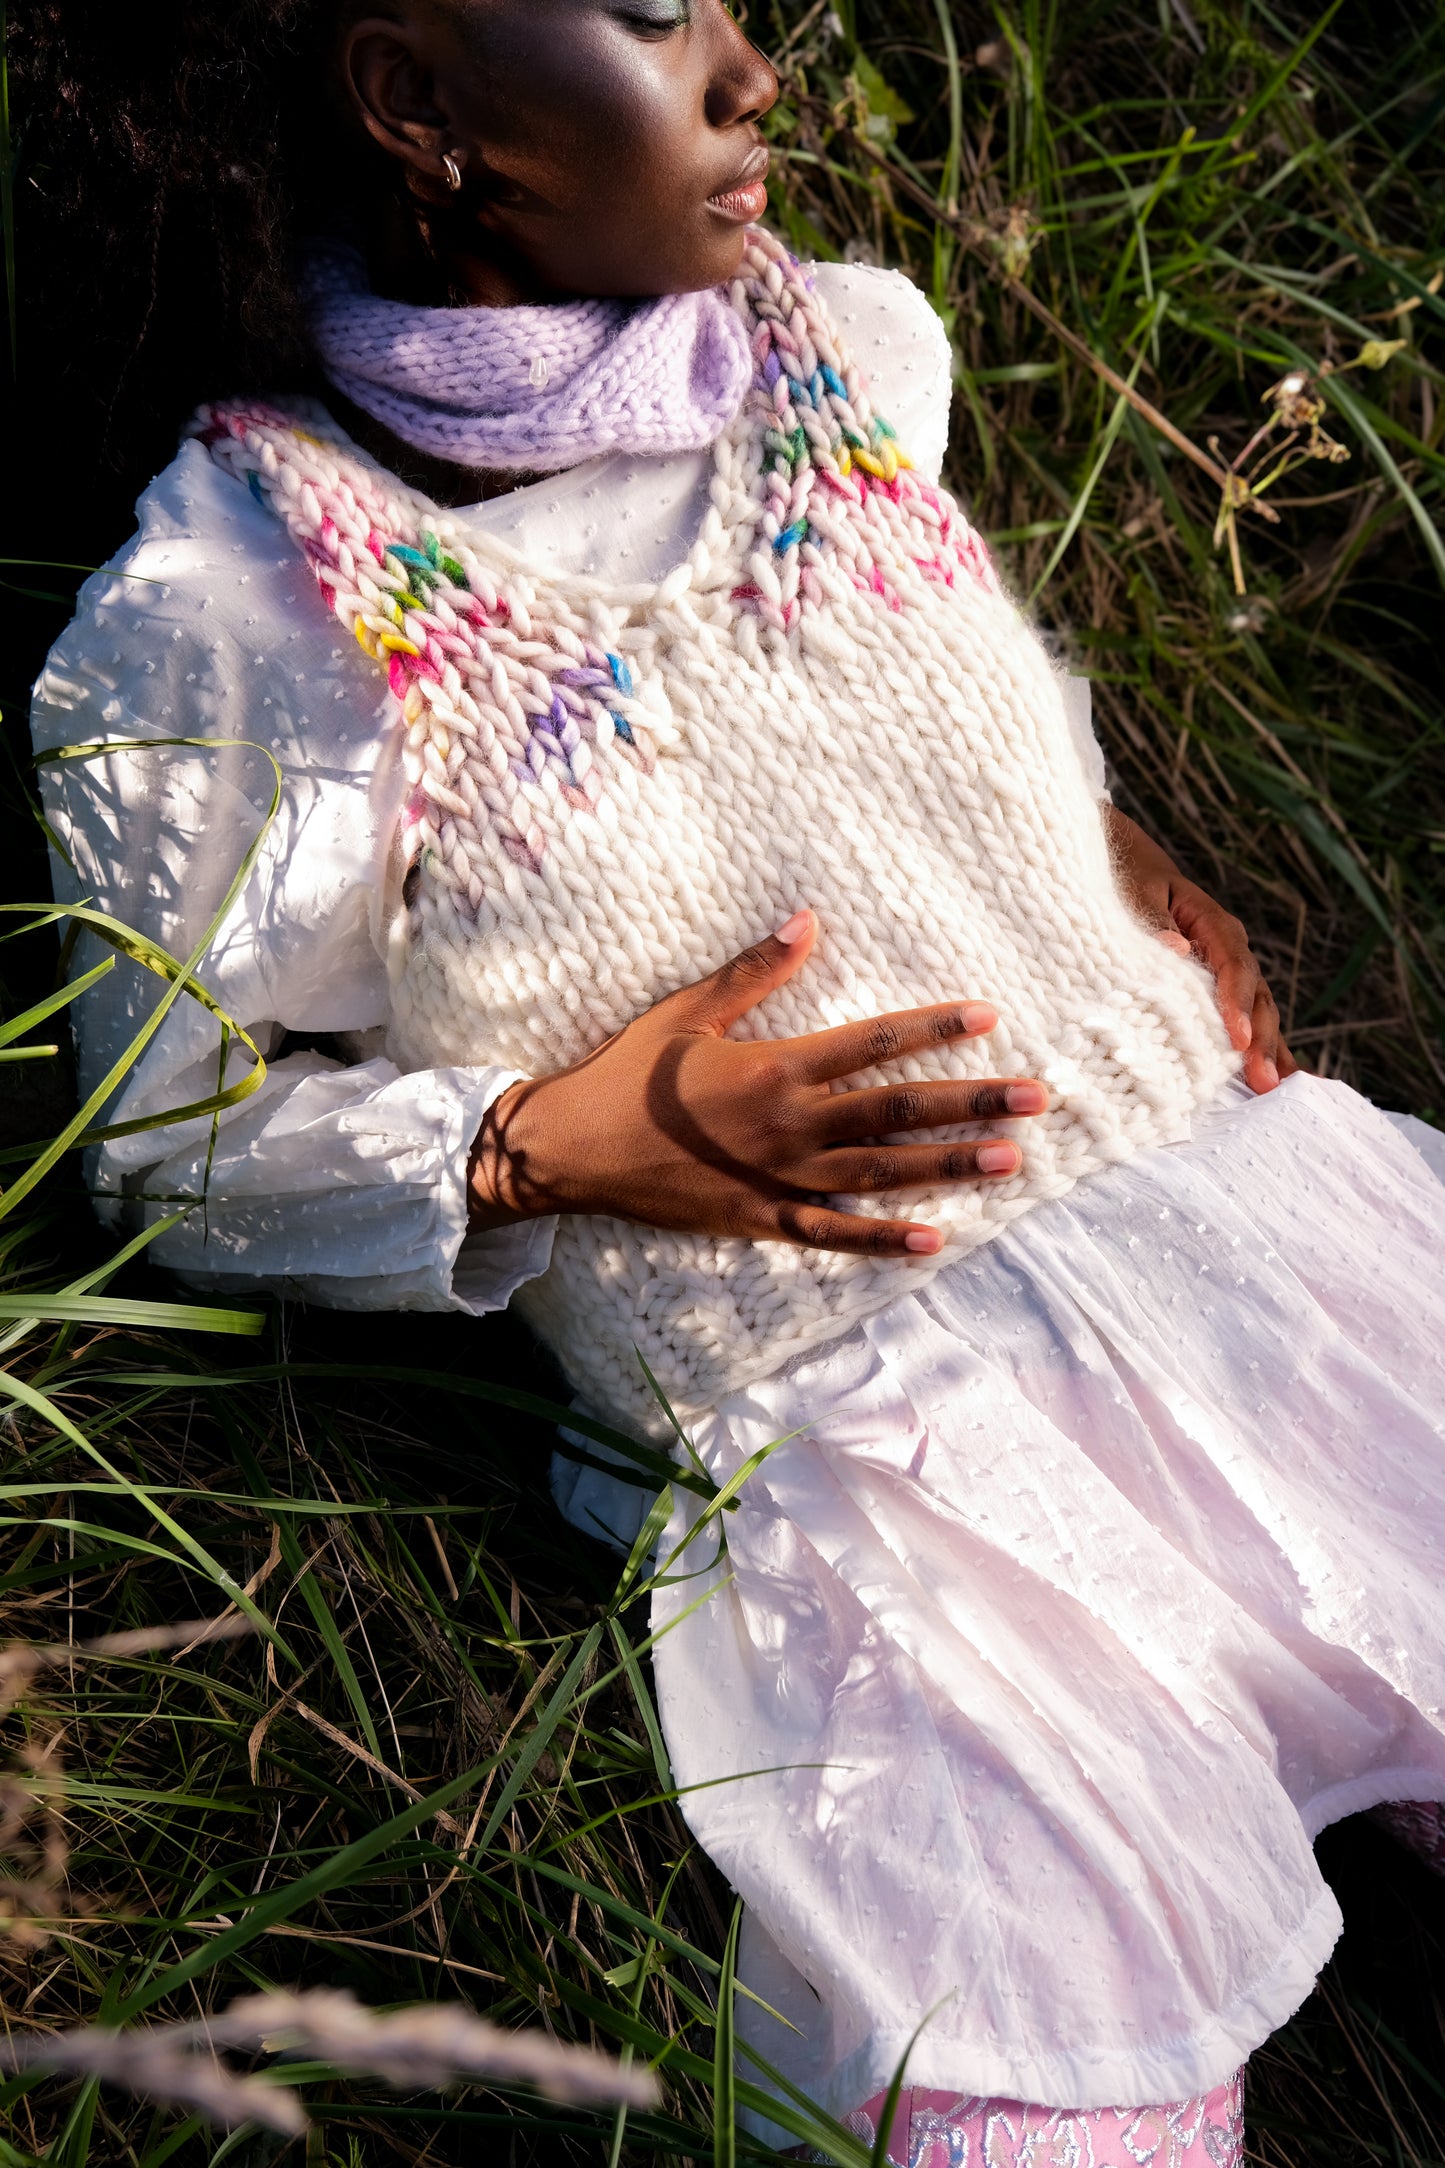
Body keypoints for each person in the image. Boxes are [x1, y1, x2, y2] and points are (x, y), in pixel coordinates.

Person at [24, 3, 1445, 2160]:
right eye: (653, 6)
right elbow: (165, 1138)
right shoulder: (232, 614)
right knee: (1018, 2106)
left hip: (1248, 1264)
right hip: (882, 1467)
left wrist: (1105, 847)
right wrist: (539, 1148)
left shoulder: (851, 352)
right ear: (417, 101)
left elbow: (906, 705)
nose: (752, 64)